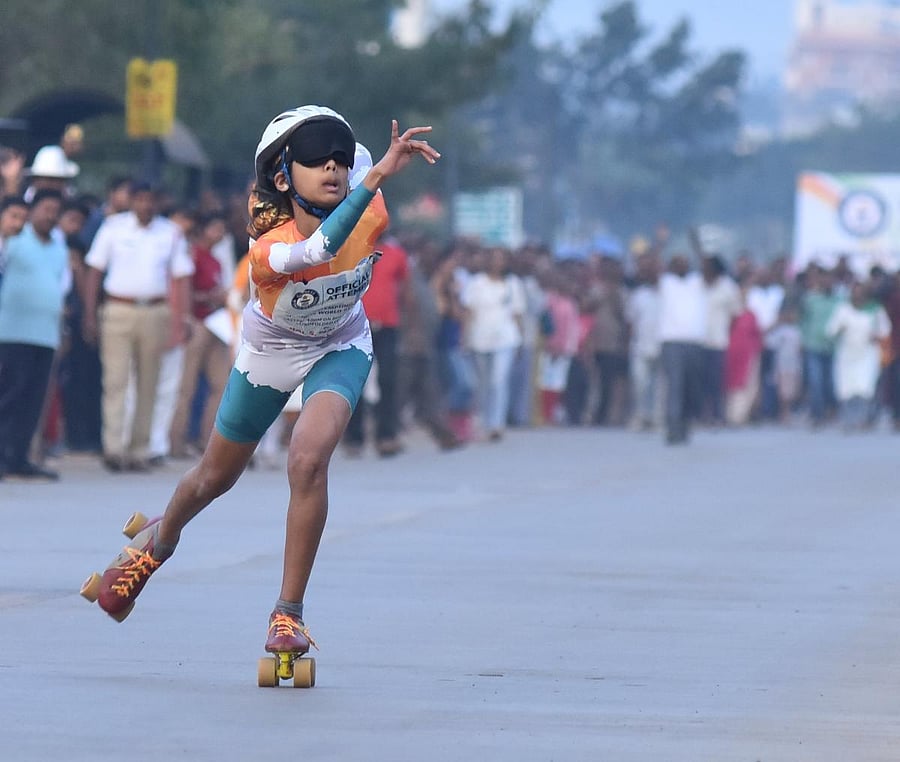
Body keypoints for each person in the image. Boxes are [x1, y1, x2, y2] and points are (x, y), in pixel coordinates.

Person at [84, 107, 439, 663]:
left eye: (342, 160)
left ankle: (287, 614)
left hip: (340, 345)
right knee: (212, 478)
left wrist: (370, 166)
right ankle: (157, 544)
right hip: (269, 353)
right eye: (317, 159)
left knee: (307, 460)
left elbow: (354, 162)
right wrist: (373, 178)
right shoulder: (268, 242)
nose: (333, 168)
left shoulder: (366, 186)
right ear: (281, 177)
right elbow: (320, 249)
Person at [82, 183, 194, 472]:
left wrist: (182, 320)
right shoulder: (113, 227)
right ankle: (114, 448)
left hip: (156, 311)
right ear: (131, 202)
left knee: (149, 383)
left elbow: (181, 277)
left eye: (150, 200)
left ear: (157, 202)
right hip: (118, 308)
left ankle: (139, 450)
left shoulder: (169, 232)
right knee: (116, 381)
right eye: (140, 200)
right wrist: (89, 314)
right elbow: (95, 270)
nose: (145, 205)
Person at [0, 189, 69, 480]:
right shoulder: (14, 239)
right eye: (45, 209)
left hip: (45, 334)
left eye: (56, 210)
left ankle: (19, 458)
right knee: (9, 396)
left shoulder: (59, 246)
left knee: (33, 400)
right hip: (12, 332)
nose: (50, 215)